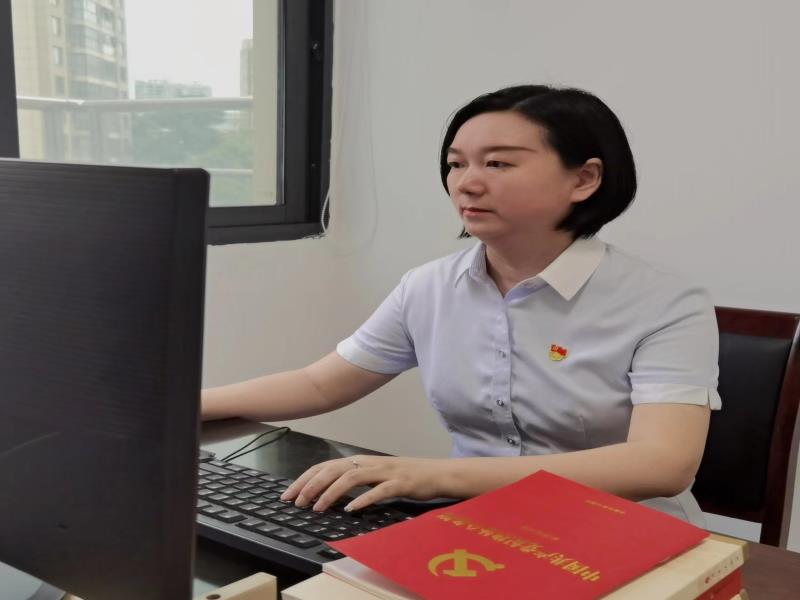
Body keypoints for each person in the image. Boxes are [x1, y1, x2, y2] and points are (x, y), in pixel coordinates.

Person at [202, 84, 720, 526]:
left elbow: (662, 464)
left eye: (498, 163)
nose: (466, 183)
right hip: (480, 523)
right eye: (456, 164)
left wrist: (434, 476)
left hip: (625, 529)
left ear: (584, 179)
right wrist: (182, 404)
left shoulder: (664, 302)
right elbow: (320, 383)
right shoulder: (429, 287)